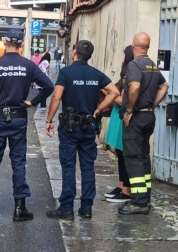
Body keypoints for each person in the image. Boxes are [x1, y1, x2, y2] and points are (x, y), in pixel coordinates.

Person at [0, 28, 54, 222]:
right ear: (21, 44)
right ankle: (20, 209)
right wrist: (33, 102)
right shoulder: (28, 65)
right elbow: (49, 86)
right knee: (18, 162)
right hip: (18, 118)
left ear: (4, 42)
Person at [45, 40, 119, 220]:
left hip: (70, 129)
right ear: (90, 56)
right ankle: (86, 208)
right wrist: (99, 108)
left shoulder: (66, 73)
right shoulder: (96, 74)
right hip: (88, 127)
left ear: (75, 52)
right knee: (87, 167)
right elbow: (115, 92)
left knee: (69, 166)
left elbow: (57, 97)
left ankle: (67, 208)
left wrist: (49, 120)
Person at [118, 32, 169, 215]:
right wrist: (153, 104)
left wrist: (130, 110)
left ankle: (138, 202)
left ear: (134, 46)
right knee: (143, 157)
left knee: (133, 158)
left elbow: (135, 87)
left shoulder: (134, 64)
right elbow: (165, 86)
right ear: (147, 46)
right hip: (148, 116)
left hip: (136, 117)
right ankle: (145, 198)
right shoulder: (153, 66)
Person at [104, 45, 134, 203]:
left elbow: (123, 100)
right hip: (118, 117)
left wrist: (110, 95)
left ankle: (126, 191)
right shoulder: (126, 74)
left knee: (123, 154)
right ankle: (122, 185)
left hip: (122, 117)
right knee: (119, 153)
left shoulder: (130, 73)